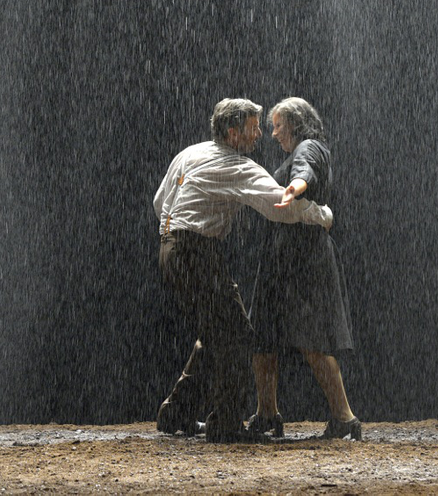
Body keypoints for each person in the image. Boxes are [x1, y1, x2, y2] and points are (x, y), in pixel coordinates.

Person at [154, 98, 334, 443]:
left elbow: (160, 201)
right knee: (236, 336)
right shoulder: (237, 166)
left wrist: (177, 235)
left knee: (216, 331)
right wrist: (323, 215)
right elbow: (279, 206)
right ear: (233, 132)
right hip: (196, 252)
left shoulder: (189, 154)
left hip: (171, 247)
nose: (259, 136)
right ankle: (226, 425)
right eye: (252, 128)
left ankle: (176, 412)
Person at [248, 97, 361, 440]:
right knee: (262, 338)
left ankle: (345, 419)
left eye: (278, 125)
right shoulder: (296, 151)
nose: (273, 133)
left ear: (296, 123)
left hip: (304, 257)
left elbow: (305, 174)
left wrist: (295, 188)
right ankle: (267, 414)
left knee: (312, 339)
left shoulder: (310, 147)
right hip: (282, 256)